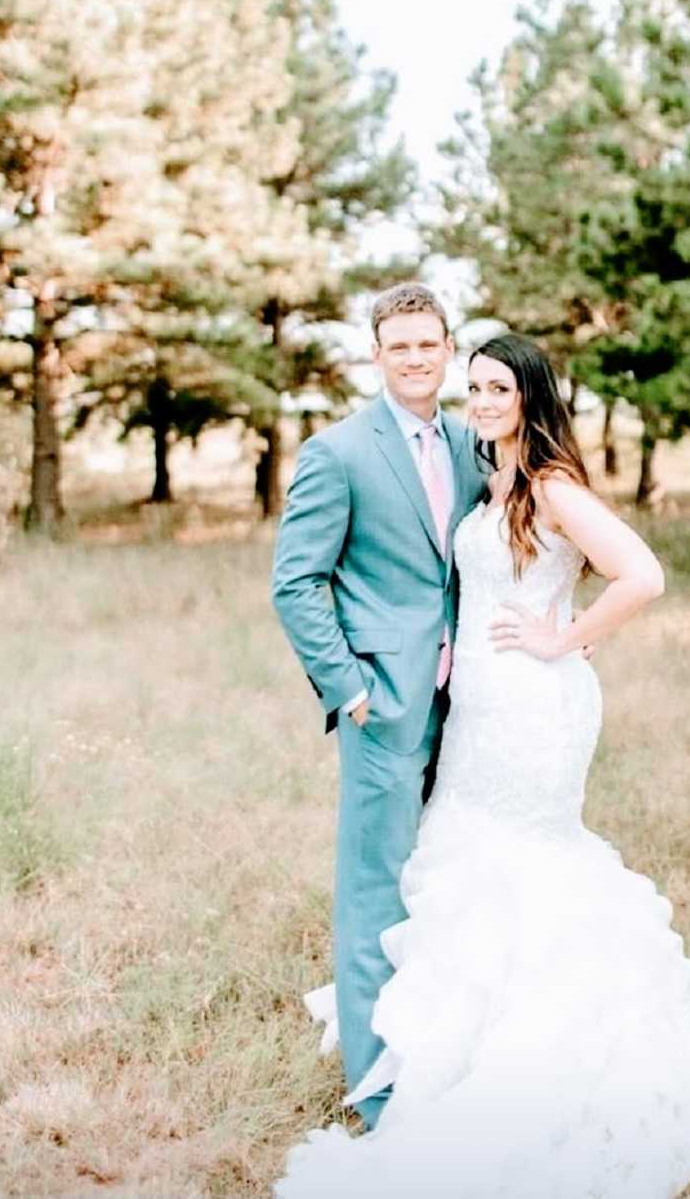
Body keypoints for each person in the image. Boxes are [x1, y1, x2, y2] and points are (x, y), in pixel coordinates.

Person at [274, 330, 690, 1199]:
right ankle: (451, 1048)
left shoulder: (553, 483)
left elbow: (642, 574)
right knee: (460, 858)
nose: (485, 402)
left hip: (534, 706)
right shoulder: (487, 473)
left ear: (532, 395)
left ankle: (538, 1058)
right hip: (477, 710)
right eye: (477, 388)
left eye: (501, 388)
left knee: (525, 862)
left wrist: (564, 638)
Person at [271, 283, 489, 1131]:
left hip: (470, 704)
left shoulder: (475, 443)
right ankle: (377, 1086)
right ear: (377, 354)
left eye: (428, 344)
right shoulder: (338, 451)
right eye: (398, 346)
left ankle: (443, 1044)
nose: (414, 358)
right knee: (377, 892)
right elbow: (296, 582)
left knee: (451, 880)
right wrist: (351, 687)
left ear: (448, 348)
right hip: (384, 706)